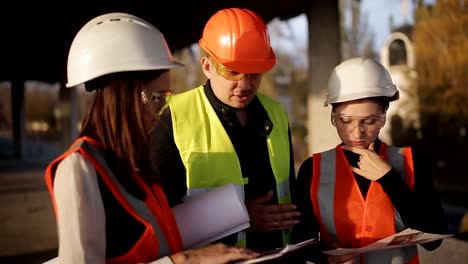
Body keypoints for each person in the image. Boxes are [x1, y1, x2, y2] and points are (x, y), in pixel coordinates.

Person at [43, 12, 259, 264]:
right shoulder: (78, 169)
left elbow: (158, 240)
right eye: (156, 97)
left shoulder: (135, 165)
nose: (158, 114)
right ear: (123, 94)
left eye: (164, 97)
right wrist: (185, 260)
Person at [150, 7, 300, 254]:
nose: (244, 84)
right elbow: (159, 222)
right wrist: (240, 217)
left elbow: (290, 197)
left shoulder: (276, 114)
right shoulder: (173, 117)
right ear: (207, 67)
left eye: (253, 73)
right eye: (232, 72)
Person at [291, 57, 448, 264]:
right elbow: (300, 242)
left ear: (384, 114)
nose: (357, 132)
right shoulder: (312, 170)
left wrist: (389, 178)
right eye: (345, 121)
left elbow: (433, 241)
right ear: (333, 115)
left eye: (370, 121)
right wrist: (324, 257)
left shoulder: (412, 162)